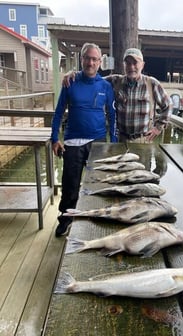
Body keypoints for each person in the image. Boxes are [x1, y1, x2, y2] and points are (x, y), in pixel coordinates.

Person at [51, 42, 117, 237]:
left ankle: (94, 220)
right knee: (70, 185)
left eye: (95, 59)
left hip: (97, 144)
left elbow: (112, 116)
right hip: (72, 143)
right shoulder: (70, 82)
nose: (91, 62)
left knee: (97, 185)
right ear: (82, 60)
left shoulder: (106, 85)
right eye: (87, 58)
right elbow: (58, 112)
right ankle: (65, 219)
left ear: (99, 62)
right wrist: (54, 138)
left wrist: (112, 144)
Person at [63, 47, 172, 143]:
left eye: (135, 63)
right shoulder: (115, 81)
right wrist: (75, 74)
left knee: (141, 167)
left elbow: (168, 106)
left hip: (143, 140)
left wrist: (158, 127)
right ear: (124, 65)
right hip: (121, 139)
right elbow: (92, 79)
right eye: (128, 63)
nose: (131, 67)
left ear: (142, 65)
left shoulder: (152, 83)